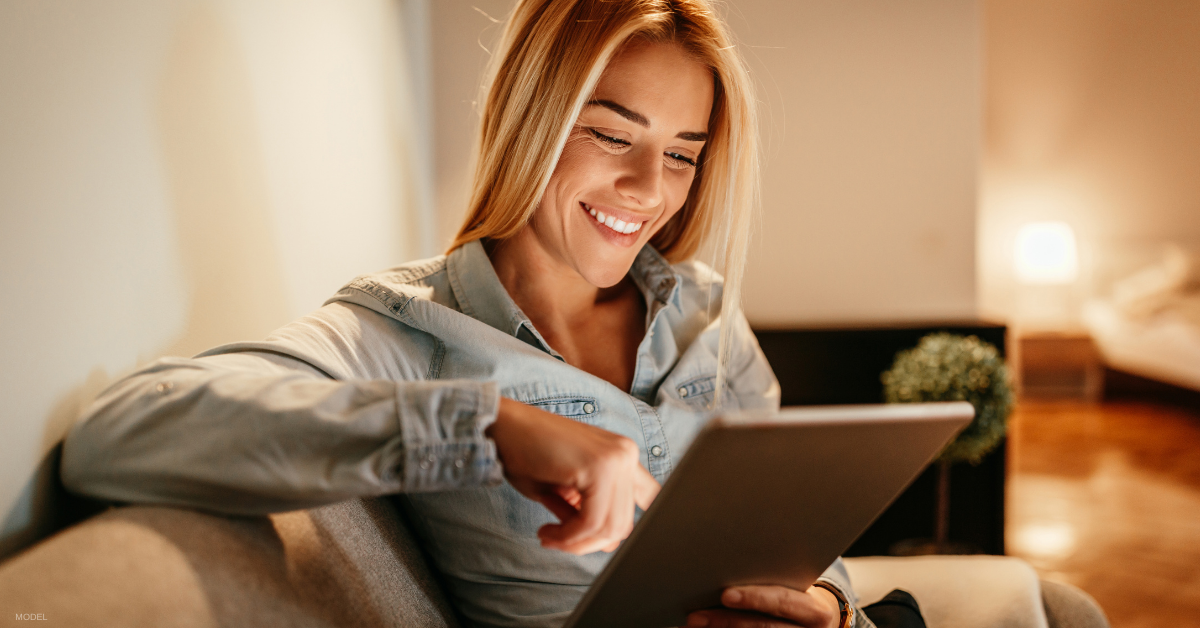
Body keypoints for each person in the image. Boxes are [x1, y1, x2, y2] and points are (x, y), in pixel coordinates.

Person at [62, 1, 872, 627]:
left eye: (683, 154)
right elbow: (119, 432)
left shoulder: (707, 314)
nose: (649, 188)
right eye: (608, 134)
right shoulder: (407, 331)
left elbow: (798, 543)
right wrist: (488, 426)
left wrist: (828, 606)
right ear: (532, 119)